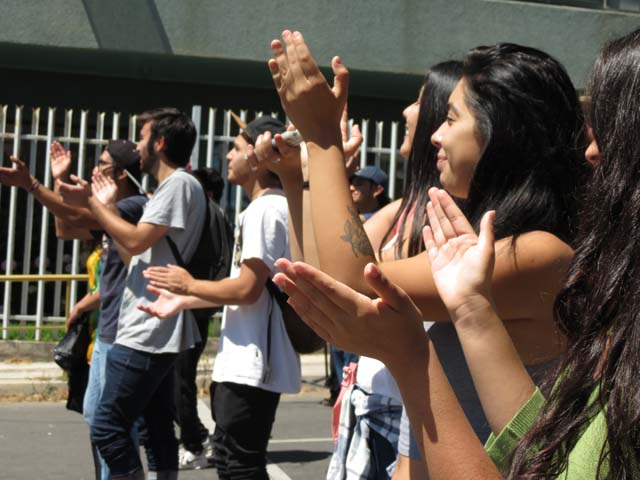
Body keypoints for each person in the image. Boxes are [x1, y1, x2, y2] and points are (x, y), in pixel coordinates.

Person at [264, 31, 588, 479]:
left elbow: (354, 286)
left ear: (501, 133)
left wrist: (323, 138)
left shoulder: (537, 253)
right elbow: (327, 278)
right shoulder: (483, 241)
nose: (435, 134)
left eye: (451, 119)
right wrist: (298, 174)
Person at [140, 116, 301, 480]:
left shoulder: (264, 210)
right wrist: (184, 300)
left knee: (239, 465)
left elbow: (247, 289)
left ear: (257, 158)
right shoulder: (264, 208)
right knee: (231, 461)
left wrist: (188, 286)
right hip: (247, 359)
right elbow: (245, 288)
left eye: (235, 148)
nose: (228, 155)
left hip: (254, 362)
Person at [58, 107, 205, 480]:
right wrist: (106, 208)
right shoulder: (170, 188)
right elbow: (133, 255)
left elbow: (137, 241)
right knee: (155, 425)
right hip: (149, 320)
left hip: (148, 327)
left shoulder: (178, 184)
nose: (138, 145)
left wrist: (96, 203)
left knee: (107, 424)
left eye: (142, 137)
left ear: (159, 142)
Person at [0, 138, 148, 480]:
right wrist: (60, 179)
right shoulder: (111, 211)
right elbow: (65, 228)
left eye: (102, 163)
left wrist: (31, 184)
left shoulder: (133, 207)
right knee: (97, 416)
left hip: (123, 331)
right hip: (105, 331)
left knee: (113, 422)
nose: (95, 169)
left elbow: (73, 214)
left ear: (121, 174)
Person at [174, 166, 228, 470]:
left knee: (180, 376)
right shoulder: (212, 213)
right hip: (194, 303)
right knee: (177, 376)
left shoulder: (209, 214)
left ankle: (194, 442)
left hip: (192, 304)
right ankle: (195, 435)